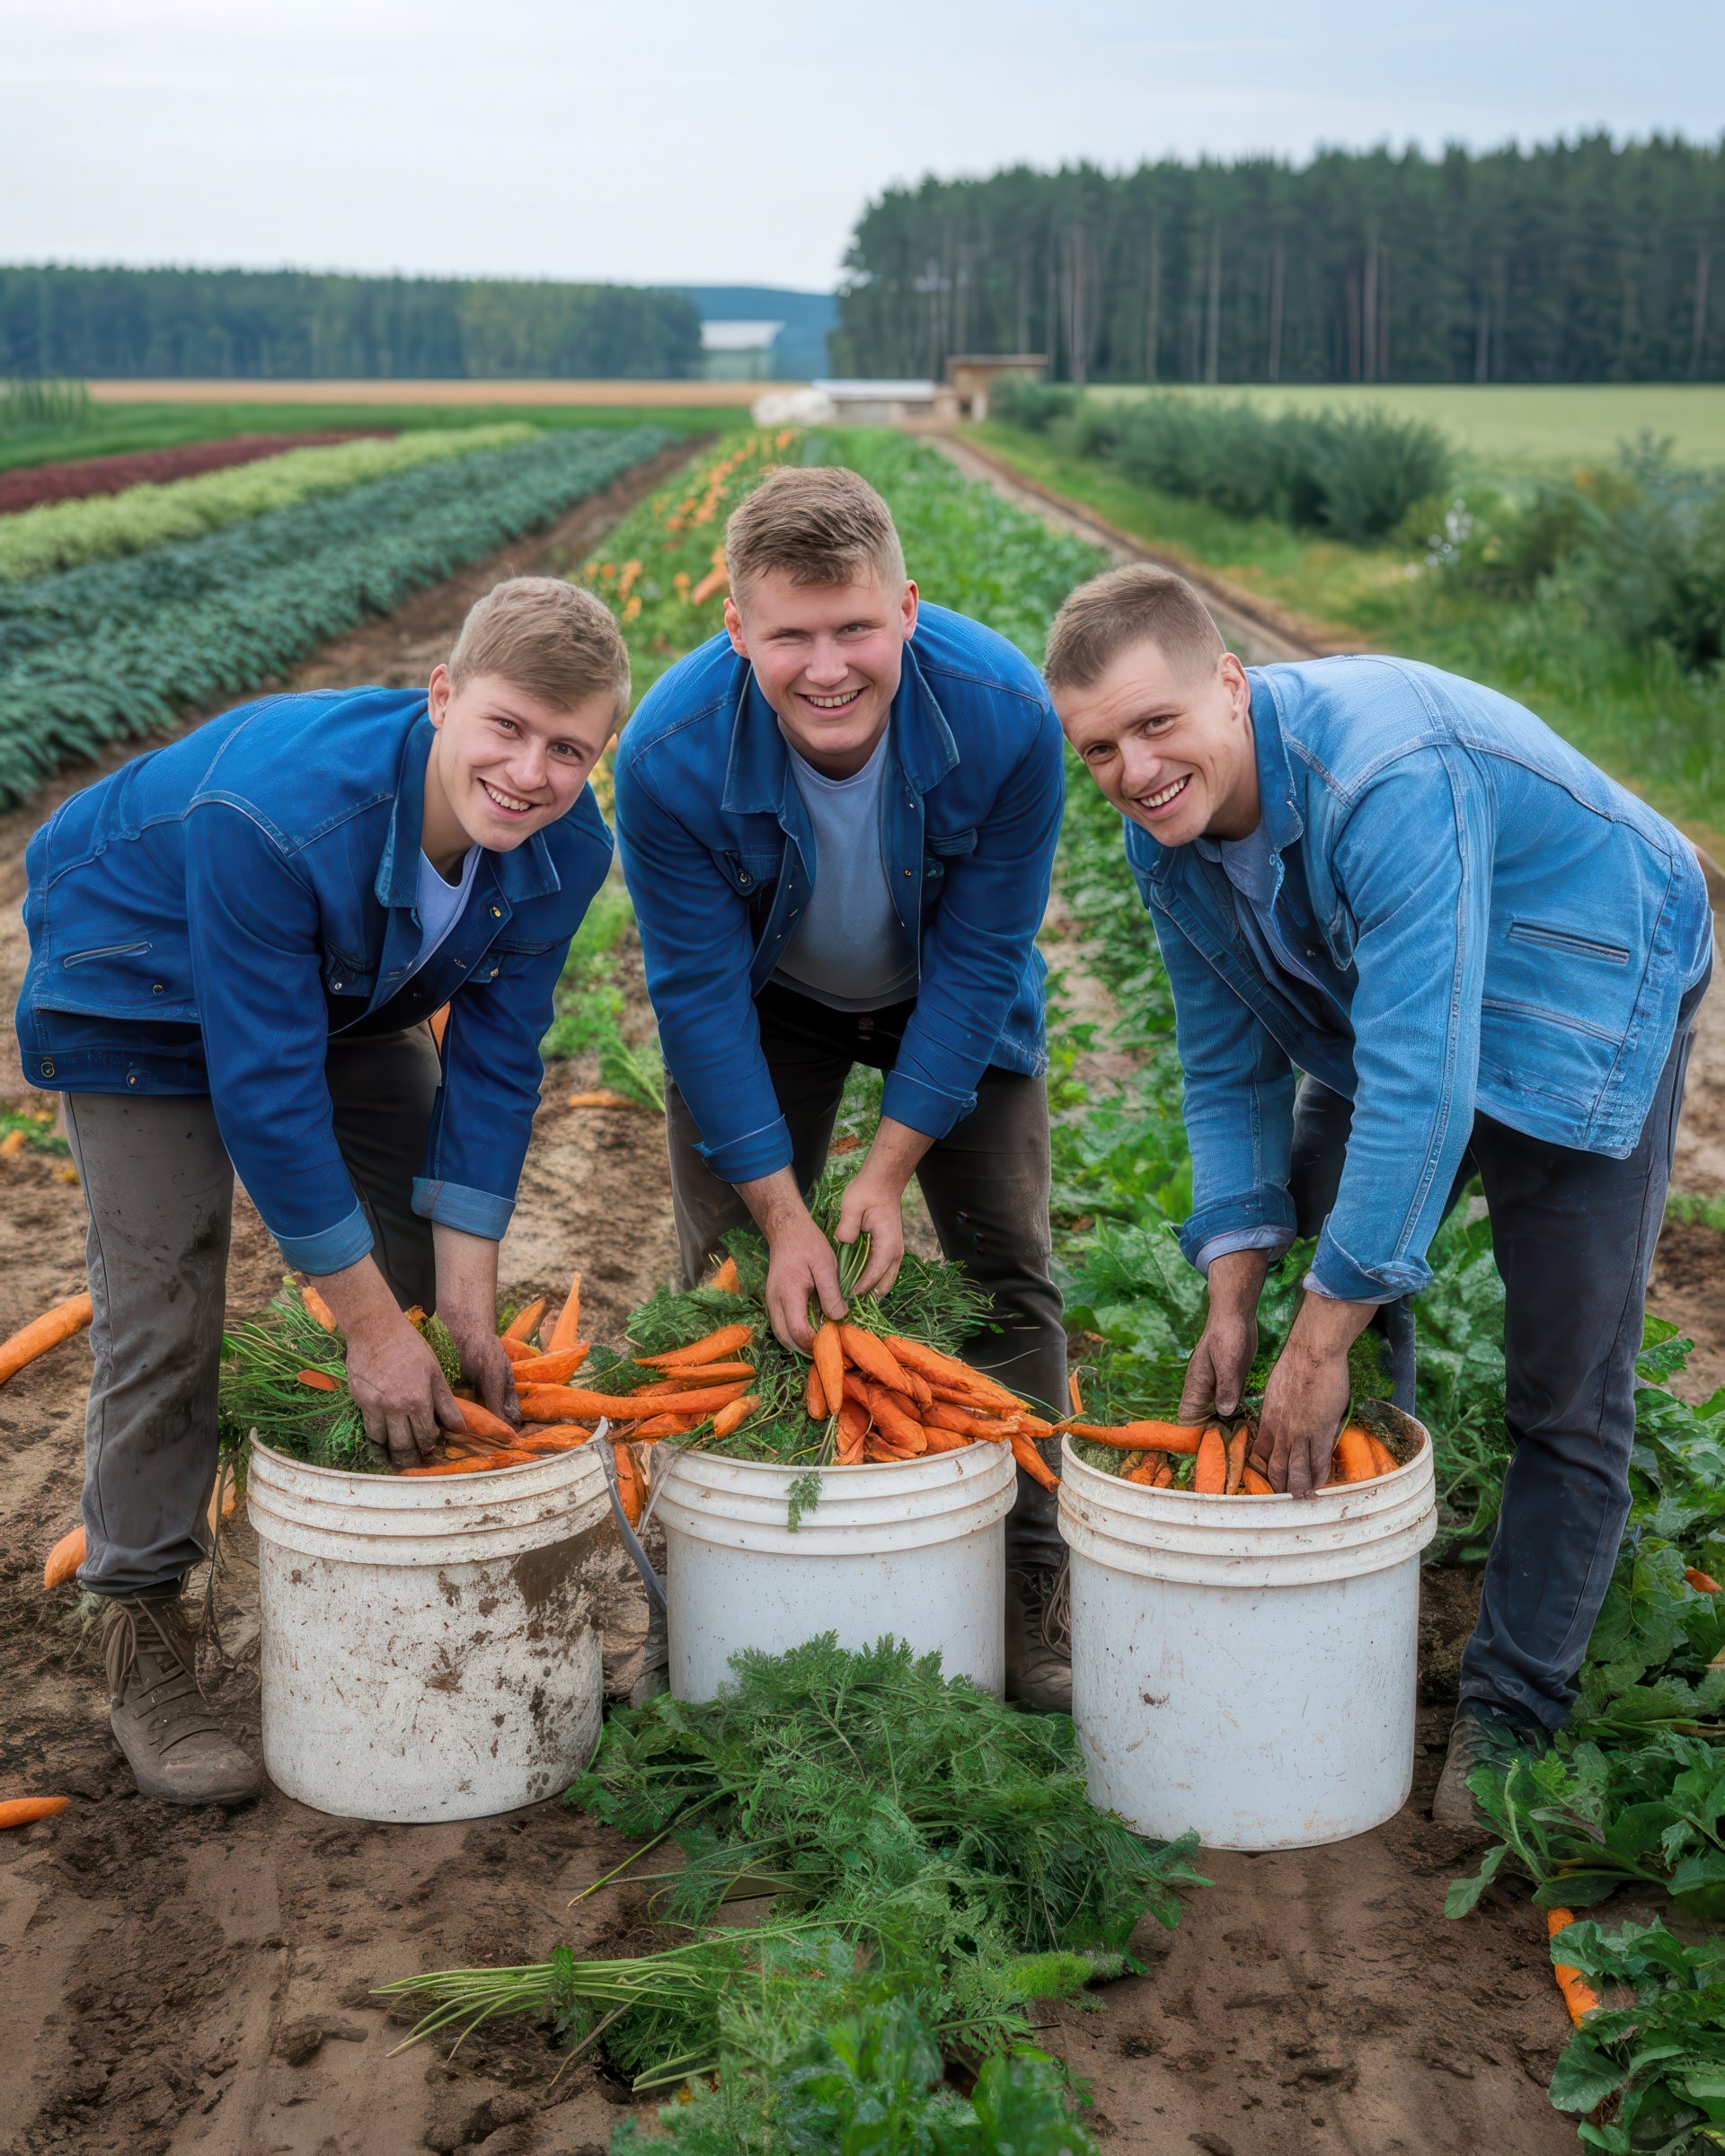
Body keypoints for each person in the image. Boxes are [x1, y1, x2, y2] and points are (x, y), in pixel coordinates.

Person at [1043, 562, 1713, 1824]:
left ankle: (1515, 1703)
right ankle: (1350, 1539)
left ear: (1230, 687)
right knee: (1319, 1260)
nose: (1133, 770)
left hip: (1586, 978)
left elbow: (1422, 1085)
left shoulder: (1384, 778)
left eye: (1156, 724)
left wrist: (1317, 1339)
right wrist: (1237, 1293)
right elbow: (1224, 1060)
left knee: (1565, 1373)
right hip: (1402, 1004)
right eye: (1099, 750)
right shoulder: (1165, 837)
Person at [17, 577, 627, 1805]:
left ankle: (398, 1562)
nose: (529, 772)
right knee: (166, 1304)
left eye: (569, 749)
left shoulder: (566, 851)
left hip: (348, 982)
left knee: (420, 1272)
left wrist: (455, 1304)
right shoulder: (283, 816)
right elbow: (265, 1093)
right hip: (136, 979)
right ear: (443, 695)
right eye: (505, 727)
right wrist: (364, 1327)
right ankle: (139, 1626)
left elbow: (499, 1070)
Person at [613, 464, 1072, 1709]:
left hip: (944, 996)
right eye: (791, 636)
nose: (828, 667)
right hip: (770, 1006)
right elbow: (698, 999)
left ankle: (1034, 1579)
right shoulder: (667, 753)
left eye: (855, 628)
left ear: (908, 608)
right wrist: (783, 1211)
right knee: (722, 1281)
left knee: (1007, 1267)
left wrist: (882, 1171)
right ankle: (704, 1580)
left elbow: (982, 959)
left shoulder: (1004, 717)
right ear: (735, 629)